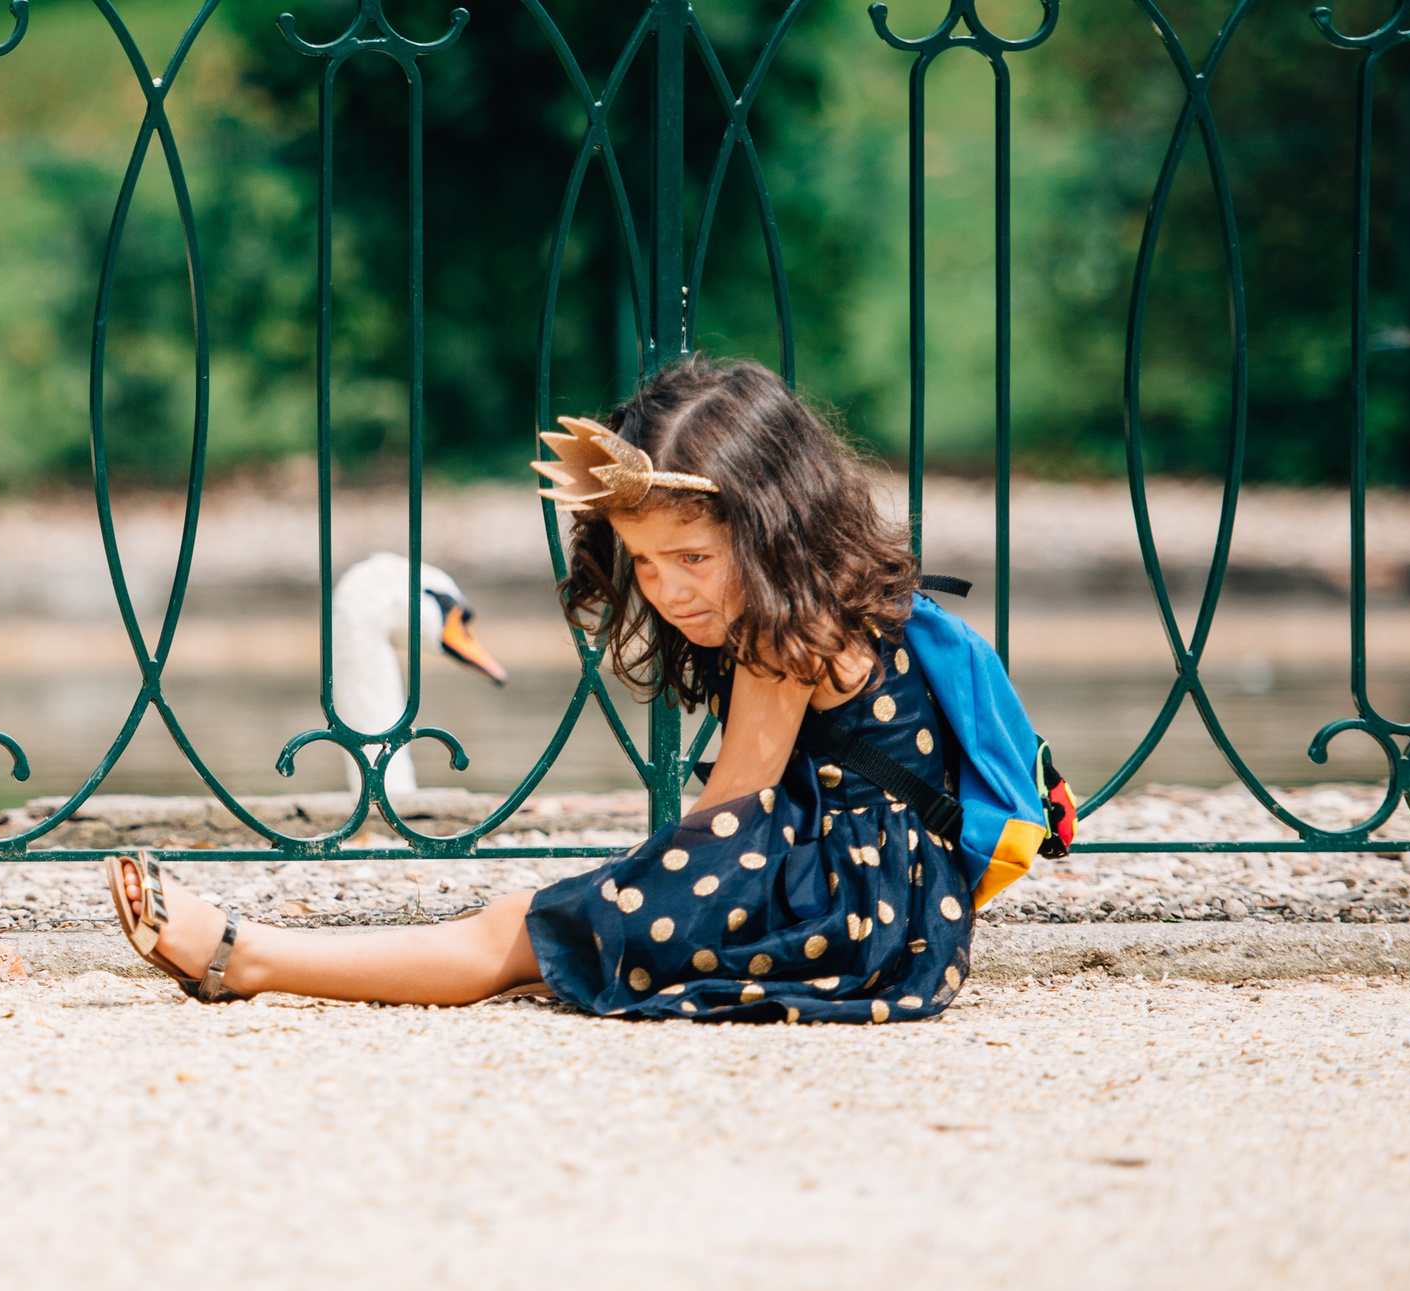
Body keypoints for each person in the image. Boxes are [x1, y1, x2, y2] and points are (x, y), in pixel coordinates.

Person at [104, 353, 975, 1023]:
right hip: (898, 904)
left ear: (772, 527)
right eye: (644, 561)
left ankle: (241, 955)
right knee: (575, 912)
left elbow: (727, 818)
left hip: (853, 914)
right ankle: (250, 953)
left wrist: (633, 893)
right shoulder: (832, 597)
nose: (668, 591)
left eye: (693, 558)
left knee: (520, 929)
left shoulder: (780, 640)